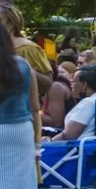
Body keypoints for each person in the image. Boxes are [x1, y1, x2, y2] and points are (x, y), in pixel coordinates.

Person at [0, 27, 39, 189]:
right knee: (22, 179)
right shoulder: (23, 65)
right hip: (21, 129)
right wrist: (37, 144)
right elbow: (35, 108)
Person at [54, 65, 96, 140]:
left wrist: (48, 141)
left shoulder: (88, 103)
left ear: (84, 85)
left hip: (77, 149)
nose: (71, 83)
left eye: (74, 81)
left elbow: (68, 135)